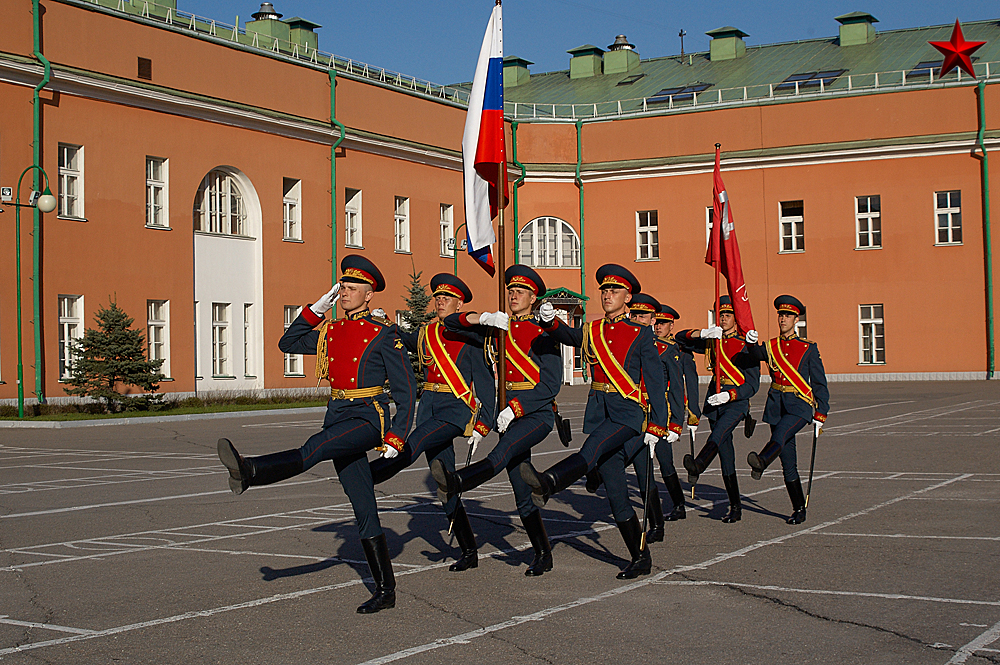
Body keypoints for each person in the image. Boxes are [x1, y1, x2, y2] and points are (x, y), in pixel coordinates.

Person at [216, 255, 415, 614]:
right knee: (363, 505)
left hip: (369, 417)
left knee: (317, 446)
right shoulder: (333, 330)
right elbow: (287, 342)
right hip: (339, 412)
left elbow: (406, 390)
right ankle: (386, 590)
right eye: (343, 288)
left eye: (353, 289)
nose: (345, 294)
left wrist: (397, 436)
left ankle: (252, 471)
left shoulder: (384, 334)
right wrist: (314, 310)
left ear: (370, 294)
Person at [520, 264, 668, 579]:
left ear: (628, 297)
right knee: (615, 492)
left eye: (614, 290)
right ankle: (640, 557)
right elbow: (569, 336)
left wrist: (658, 423)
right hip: (601, 408)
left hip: (628, 411)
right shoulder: (593, 329)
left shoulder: (640, 333)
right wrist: (550, 322)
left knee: (591, 450)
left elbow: (654, 381)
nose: (607, 295)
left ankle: (549, 482)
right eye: (604, 290)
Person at [431, 265, 561, 576]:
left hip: (535, 412)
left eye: (521, 292)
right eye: (511, 291)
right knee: (520, 488)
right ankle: (543, 553)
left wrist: (515, 407)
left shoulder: (544, 333)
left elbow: (550, 384)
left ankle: (459, 482)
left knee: (501, 455)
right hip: (508, 415)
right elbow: (449, 323)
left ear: (533, 298)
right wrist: (482, 318)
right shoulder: (497, 329)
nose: (514, 295)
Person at [368, 273, 499, 573]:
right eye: (437, 298)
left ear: (460, 303)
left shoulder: (471, 335)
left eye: (447, 298)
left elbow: (484, 380)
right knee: (445, 479)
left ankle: (372, 473)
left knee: (415, 442)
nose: (440, 302)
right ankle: (469, 551)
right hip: (429, 405)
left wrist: (485, 422)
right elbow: (408, 340)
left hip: (455, 409)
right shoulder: (427, 332)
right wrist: (387, 324)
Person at [585, 295, 684, 544]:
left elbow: (674, 389)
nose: (637, 319)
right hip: (630, 414)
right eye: (635, 314)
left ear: (653, 320)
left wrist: (675, 422)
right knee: (628, 461)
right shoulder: (627, 338)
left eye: (643, 316)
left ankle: (658, 522)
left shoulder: (662, 348)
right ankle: (597, 472)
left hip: (651, 417)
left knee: (647, 472)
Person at [675, 296, 760, 523]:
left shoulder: (745, 343)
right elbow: (680, 338)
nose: (723, 318)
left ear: (736, 318)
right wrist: (703, 333)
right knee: (726, 455)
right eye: (720, 314)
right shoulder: (714, 340)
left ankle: (699, 464)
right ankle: (735, 506)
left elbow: (753, 384)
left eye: (728, 315)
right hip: (715, 402)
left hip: (736, 401)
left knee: (718, 433)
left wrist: (731, 394)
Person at [746, 295, 829, 525]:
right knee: (788, 462)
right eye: (781, 315)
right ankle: (799, 508)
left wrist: (822, 411)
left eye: (788, 316)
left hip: (799, 405)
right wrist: (751, 342)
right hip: (776, 403)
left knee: (780, 435)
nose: (783, 319)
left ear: (796, 320)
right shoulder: (772, 346)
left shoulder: (807, 348)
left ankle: (762, 461)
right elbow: (752, 356)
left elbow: (820, 382)